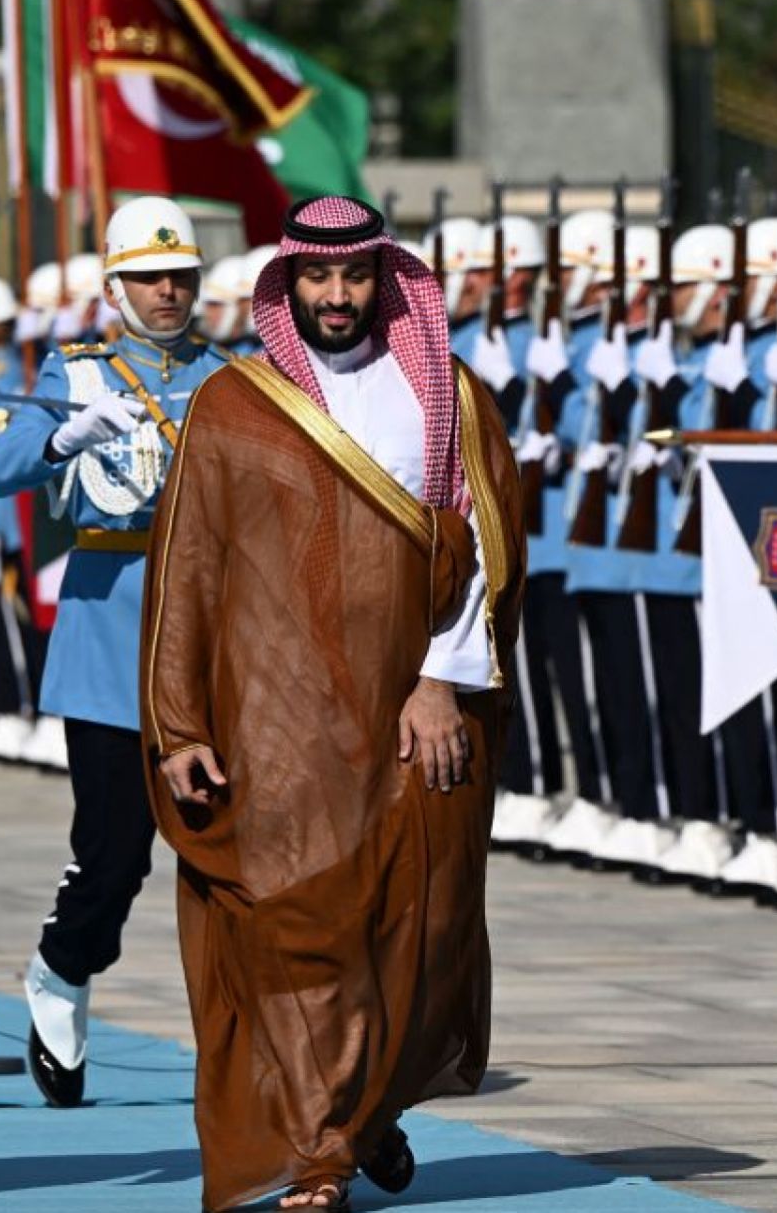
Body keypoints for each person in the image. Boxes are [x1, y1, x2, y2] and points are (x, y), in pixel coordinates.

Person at [140, 195, 523, 1212]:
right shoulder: (234, 404)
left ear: (385, 279)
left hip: (417, 711)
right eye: (319, 278)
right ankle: (318, 1155)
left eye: (357, 276)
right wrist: (178, 726)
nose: (340, 296)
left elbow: (487, 547)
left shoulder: (449, 396)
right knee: (298, 922)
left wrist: (441, 676)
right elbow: (188, 570)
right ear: (287, 285)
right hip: (281, 719)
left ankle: (371, 1107)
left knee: (421, 930)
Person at [0, 196, 223, 1108]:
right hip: (109, 622)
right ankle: (62, 967)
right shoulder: (73, 370)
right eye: (150, 278)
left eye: (182, 277)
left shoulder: (227, 376)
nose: (169, 291)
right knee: (117, 848)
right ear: (116, 286)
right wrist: (60, 435)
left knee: (226, 844)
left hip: (206, 625)